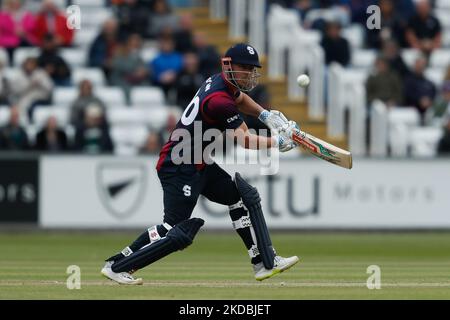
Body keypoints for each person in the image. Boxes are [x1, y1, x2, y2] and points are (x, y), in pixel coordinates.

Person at [101, 43, 300, 285]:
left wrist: (265, 115)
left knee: (239, 197)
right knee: (173, 227)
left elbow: (240, 99)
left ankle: (262, 262)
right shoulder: (218, 101)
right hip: (179, 165)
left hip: (199, 162)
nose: (249, 73)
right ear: (228, 65)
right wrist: (277, 141)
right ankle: (117, 265)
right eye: (244, 67)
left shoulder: (220, 82)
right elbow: (244, 139)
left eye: (252, 68)